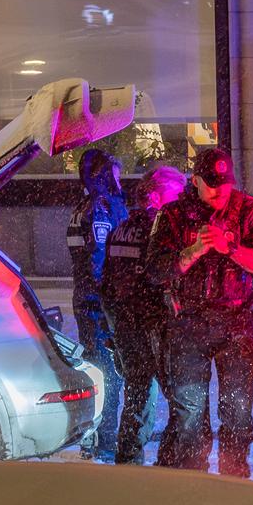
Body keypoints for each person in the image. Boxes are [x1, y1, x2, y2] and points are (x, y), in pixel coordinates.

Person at [149, 144, 253, 476]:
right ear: (195, 180)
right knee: (190, 413)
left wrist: (231, 247)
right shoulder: (173, 215)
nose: (220, 189)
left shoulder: (249, 211)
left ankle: (234, 478)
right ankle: (194, 481)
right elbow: (153, 270)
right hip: (188, 323)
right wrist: (193, 251)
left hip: (235, 322)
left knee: (237, 410)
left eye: (226, 182)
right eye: (211, 182)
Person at [100, 162, 185, 464]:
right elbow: (161, 277)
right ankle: (170, 464)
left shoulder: (120, 229)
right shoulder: (159, 230)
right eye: (176, 196)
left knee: (137, 395)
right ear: (156, 197)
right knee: (179, 398)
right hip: (154, 324)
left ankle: (129, 460)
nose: (181, 203)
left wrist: (113, 329)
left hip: (126, 324)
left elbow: (107, 284)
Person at [64, 148, 126, 458]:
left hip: (85, 301)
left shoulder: (81, 207)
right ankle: (106, 441)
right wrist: (112, 300)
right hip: (99, 304)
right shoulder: (101, 209)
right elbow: (99, 258)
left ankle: (96, 436)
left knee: (97, 370)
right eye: (114, 174)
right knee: (110, 372)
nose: (119, 181)